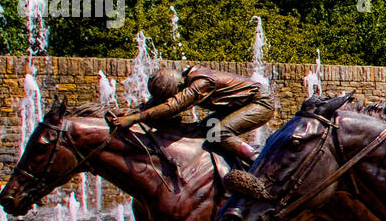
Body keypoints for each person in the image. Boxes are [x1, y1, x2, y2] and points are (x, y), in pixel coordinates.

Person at [107, 65, 275, 166]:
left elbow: (173, 105)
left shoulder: (201, 83)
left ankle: (259, 165)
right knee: (200, 131)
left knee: (219, 132)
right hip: (237, 105)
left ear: (177, 88)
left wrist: (134, 119)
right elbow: (154, 104)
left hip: (260, 102)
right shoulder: (182, 81)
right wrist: (128, 112)